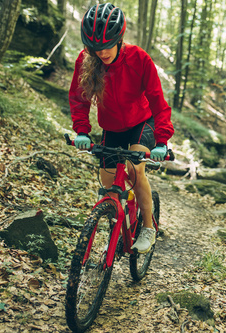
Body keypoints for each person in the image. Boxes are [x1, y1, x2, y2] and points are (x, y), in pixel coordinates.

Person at [69, 3, 174, 254]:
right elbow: (78, 97)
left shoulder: (139, 59)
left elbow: (159, 103)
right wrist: (82, 131)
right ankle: (118, 218)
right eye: (96, 47)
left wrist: (161, 141)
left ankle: (148, 227)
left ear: (119, 38)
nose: (101, 52)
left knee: (135, 169)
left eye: (107, 45)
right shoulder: (86, 60)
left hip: (142, 123)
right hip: (112, 128)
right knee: (108, 182)